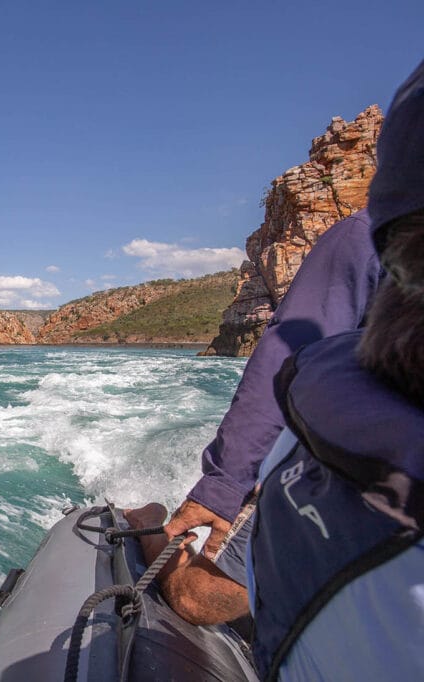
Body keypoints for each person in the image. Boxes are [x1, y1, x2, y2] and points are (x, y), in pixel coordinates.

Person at [133, 56, 424, 678]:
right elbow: (286, 355)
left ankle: (148, 526)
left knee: (191, 596)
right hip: (355, 490)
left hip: (354, 498)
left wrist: (221, 486)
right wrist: (222, 486)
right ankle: (157, 528)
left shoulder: (360, 239)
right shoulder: (360, 242)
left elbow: (285, 354)